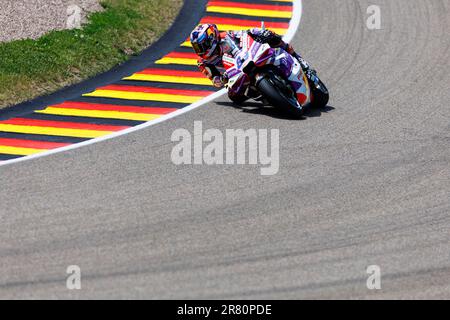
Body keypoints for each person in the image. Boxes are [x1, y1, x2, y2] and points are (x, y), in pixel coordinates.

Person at [190, 23, 316, 103]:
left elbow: (245, 34)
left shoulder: (226, 36)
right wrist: (221, 79)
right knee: (234, 97)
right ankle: (265, 95)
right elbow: (214, 79)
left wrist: (260, 34)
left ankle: (300, 61)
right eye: (197, 48)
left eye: (202, 46)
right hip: (233, 76)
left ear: (212, 38)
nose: (200, 50)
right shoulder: (202, 63)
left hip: (247, 59)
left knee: (272, 38)